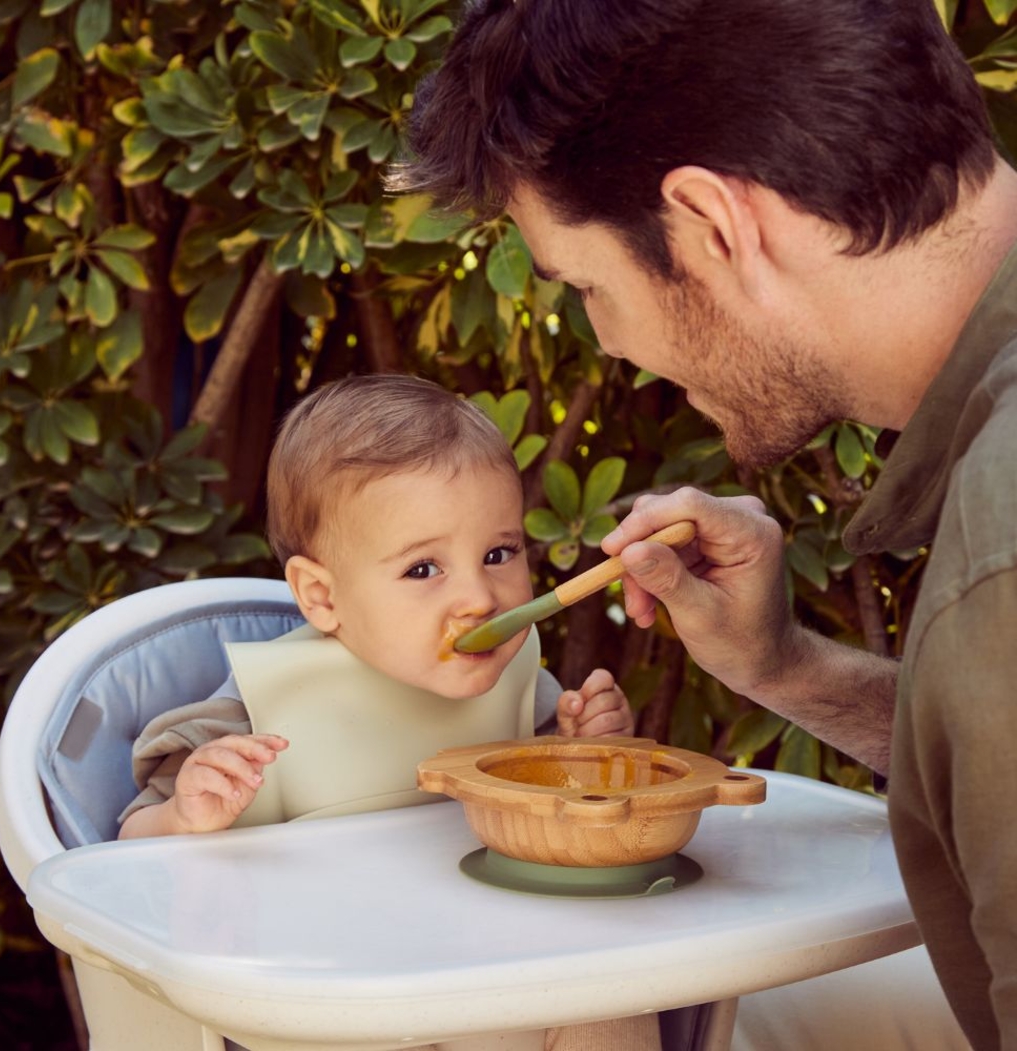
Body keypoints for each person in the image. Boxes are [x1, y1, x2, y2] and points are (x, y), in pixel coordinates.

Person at [388, 2, 1017, 1049]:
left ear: (713, 227)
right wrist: (786, 668)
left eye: (585, 285)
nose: (611, 346)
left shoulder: (1000, 560)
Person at [118, 374, 660, 1051]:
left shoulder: (521, 684)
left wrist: (584, 750)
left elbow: (566, 816)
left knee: (615, 994)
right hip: (338, 1004)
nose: (477, 596)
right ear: (321, 596)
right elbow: (124, 861)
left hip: (495, 972)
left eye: (498, 554)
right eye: (422, 570)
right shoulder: (257, 710)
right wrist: (182, 816)